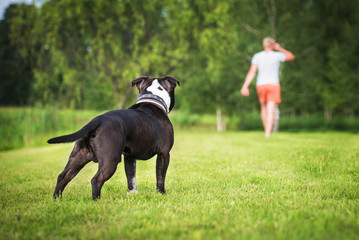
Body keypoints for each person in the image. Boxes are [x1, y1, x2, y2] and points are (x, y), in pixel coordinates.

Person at [241, 37, 295, 137]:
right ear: (273, 45)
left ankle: (266, 130)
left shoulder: (257, 56)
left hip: (261, 84)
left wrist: (245, 86)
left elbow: (252, 72)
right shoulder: (277, 55)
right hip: (273, 84)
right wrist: (280, 49)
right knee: (271, 108)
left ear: (263, 45)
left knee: (263, 107)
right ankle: (268, 133)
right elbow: (291, 56)